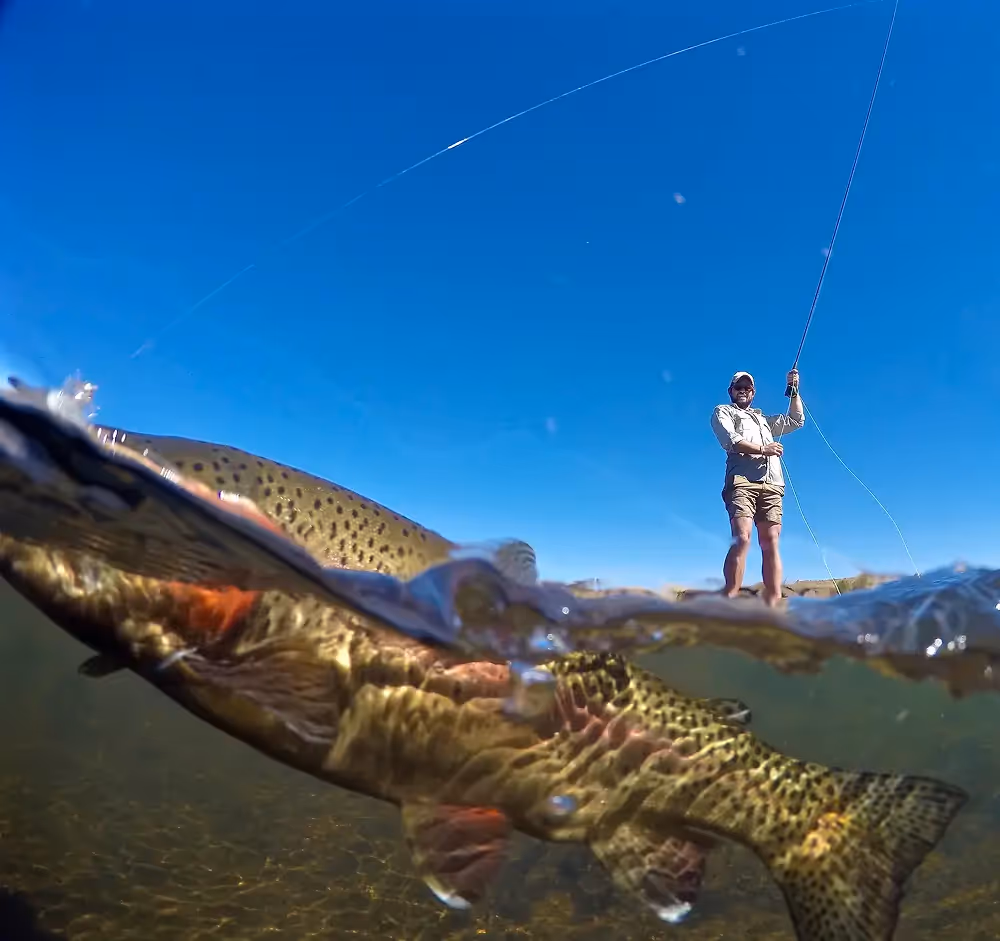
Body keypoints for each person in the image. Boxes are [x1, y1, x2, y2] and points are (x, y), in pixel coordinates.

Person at [710, 369, 803, 606]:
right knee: (742, 538)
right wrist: (764, 450)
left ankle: (772, 604)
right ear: (731, 391)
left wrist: (794, 391)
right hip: (741, 481)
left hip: (772, 484)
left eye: (747, 388)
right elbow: (730, 441)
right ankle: (729, 600)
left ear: (753, 393)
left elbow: (795, 420)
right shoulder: (723, 411)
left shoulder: (764, 420)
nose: (743, 391)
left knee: (770, 541)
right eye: (738, 388)